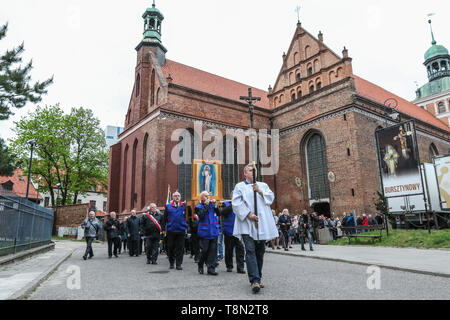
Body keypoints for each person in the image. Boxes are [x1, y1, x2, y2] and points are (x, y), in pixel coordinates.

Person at [232, 163, 278, 294]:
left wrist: (260, 191)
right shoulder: (239, 186)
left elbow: (270, 198)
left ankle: (258, 276)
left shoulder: (263, 185)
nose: (253, 172)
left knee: (260, 251)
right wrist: (248, 214)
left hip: (261, 224)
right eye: (251, 171)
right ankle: (254, 281)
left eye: (255, 171)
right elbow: (236, 203)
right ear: (245, 173)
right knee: (250, 251)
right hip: (247, 224)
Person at [195, 191, 220, 275]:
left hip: (213, 231)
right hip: (204, 232)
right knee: (205, 250)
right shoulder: (198, 206)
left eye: (208, 196)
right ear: (202, 198)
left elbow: (219, 213)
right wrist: (206, 205)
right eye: (206, 196)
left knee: (213, 251)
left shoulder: (212, 206)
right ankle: (200, 264)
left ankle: (211, 268)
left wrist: (215, 205)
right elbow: (201, 215)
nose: (208, 197)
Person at [221, 194, 245, 274]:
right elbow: (223, 212)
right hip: (229, 230)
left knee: (240, 249)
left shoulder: (241, 204)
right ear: (231, 196)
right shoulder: (226, 204)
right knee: (229, 250)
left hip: (238, 231)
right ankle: (229, 266)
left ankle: (240, 267)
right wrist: (232, 205)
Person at [164, 191, 189, 270]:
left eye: (178, 196)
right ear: (172, 197)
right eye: (175, 196)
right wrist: (163, 229)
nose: (177, 197)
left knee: (180, 248)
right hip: (171, 230)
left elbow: (189, 216)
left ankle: (178, 264)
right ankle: (171, 262)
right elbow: (164, 218)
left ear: (180, 197)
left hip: (181, 230)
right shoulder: (168, 206)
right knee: (170, 247)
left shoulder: (184, 206)